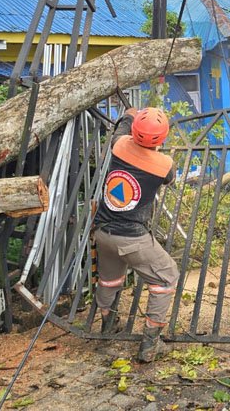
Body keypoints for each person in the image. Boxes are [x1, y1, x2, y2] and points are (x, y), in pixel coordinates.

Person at [94, 107, 179, 363]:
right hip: (132, 239)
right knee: (166, 277)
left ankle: (108, 327)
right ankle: (150, 345)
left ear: (134, 130)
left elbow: (121, 128)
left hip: (102, 233)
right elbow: (169, 181)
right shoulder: (165, 166)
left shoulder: (119, 145)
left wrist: (130, 114)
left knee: (109, 280)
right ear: (162, 137)